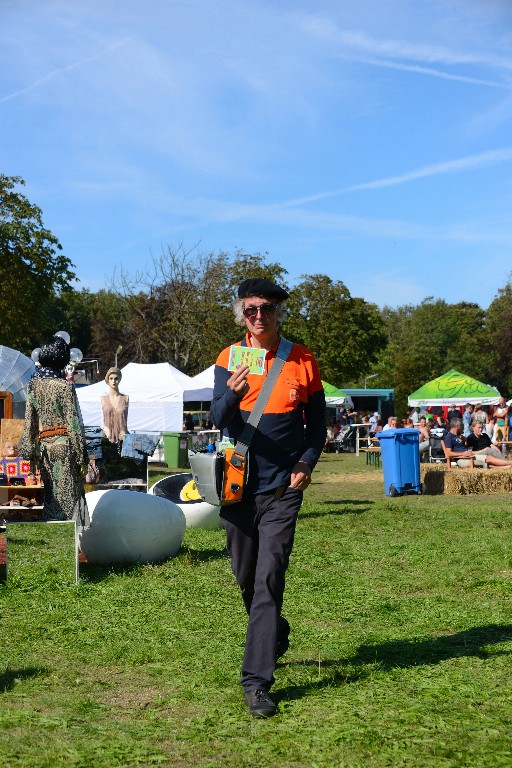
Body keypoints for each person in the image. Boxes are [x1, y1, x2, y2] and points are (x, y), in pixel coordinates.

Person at [210, 277, 326, 718]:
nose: (258, 316)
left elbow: (315, 424)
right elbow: (219, 419)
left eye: (266, 308)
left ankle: (256, 681)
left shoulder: (302, 358)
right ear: (242, 313)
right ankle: (273, 632)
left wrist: (307, 463)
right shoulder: (228, 359)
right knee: (246, 578)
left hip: (282, 490)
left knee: (268, 578)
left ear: (279, 312)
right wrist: (234, 393)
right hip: (237, 488)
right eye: (250, 309)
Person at [19, 335, 89, 527]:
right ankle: (68, 542)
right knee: (69, 497)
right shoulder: (64, 387)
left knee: (51, 497)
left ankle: (54, 540)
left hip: (45, 449)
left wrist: (29, 453)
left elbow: (30, 424)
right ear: (63, 357)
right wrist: (82, 455)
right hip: (65, 446)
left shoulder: (33, 386)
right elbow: (73, 424)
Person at [101, 367, 129, 444]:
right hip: (106, 438)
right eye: (111, 378)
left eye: (116, 378)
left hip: (122, 439)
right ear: (108, 380)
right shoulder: (103, 399)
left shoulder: (125, 398)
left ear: (119, 380)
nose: (114, 381)